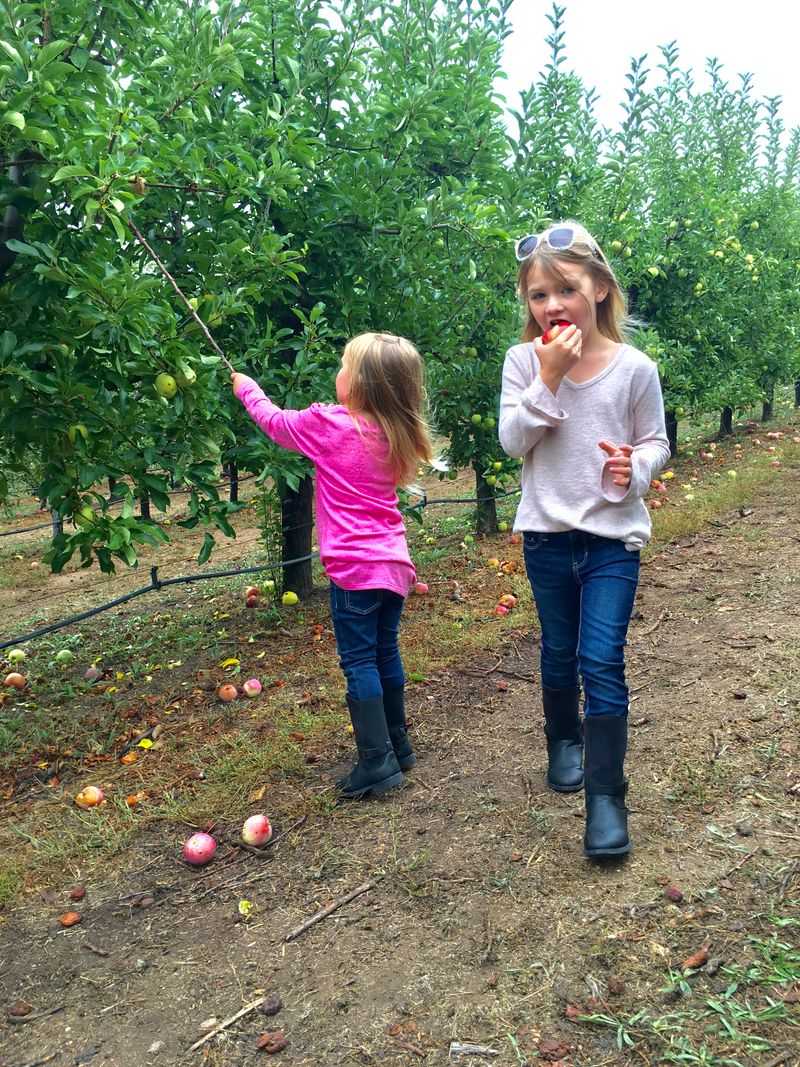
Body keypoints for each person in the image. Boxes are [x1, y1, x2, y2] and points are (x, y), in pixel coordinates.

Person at [498, 221, 670, 858]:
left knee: (600, 659)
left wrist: (636, 466)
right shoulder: (523, 362)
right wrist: (549, 377)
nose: (552, 305)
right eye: (539, 295)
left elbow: (655, 441)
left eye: (566, 289)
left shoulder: (634, 369)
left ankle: (606, 796)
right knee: (558, 651)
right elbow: (513, 442)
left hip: (610, 540)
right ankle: (563, 740)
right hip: (546, 538)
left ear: (599, 288)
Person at [232, 332, 432, 799]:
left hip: (354, 569)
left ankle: (376, 762)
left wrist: (247, 388)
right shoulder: (395, 432)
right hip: (393, 565)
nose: (337, 373)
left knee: (359, 660)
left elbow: (274, 422)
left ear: (361, 384)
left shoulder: (331, 425)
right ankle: (398, 745)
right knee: (385, 652)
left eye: (344, 366)